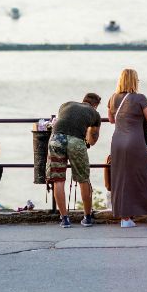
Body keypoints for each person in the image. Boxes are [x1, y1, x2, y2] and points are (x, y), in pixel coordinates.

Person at [108, 69, 147, 228]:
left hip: (117, 142)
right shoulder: (140, 98)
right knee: (142, 178)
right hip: (135, 142)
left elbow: (112, 120)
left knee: (121, 179)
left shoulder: (113, 98)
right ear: (134, 81)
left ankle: (125, 219)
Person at [47, 93, 102, 228]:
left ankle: (64, 219)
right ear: (95, 105)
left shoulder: (66, 105)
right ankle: (87, 217)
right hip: (76, 142)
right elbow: (92, 140)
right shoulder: (95, 114)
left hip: (56, 139)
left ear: (83, 100)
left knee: (58, 179)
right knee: (83, 179)